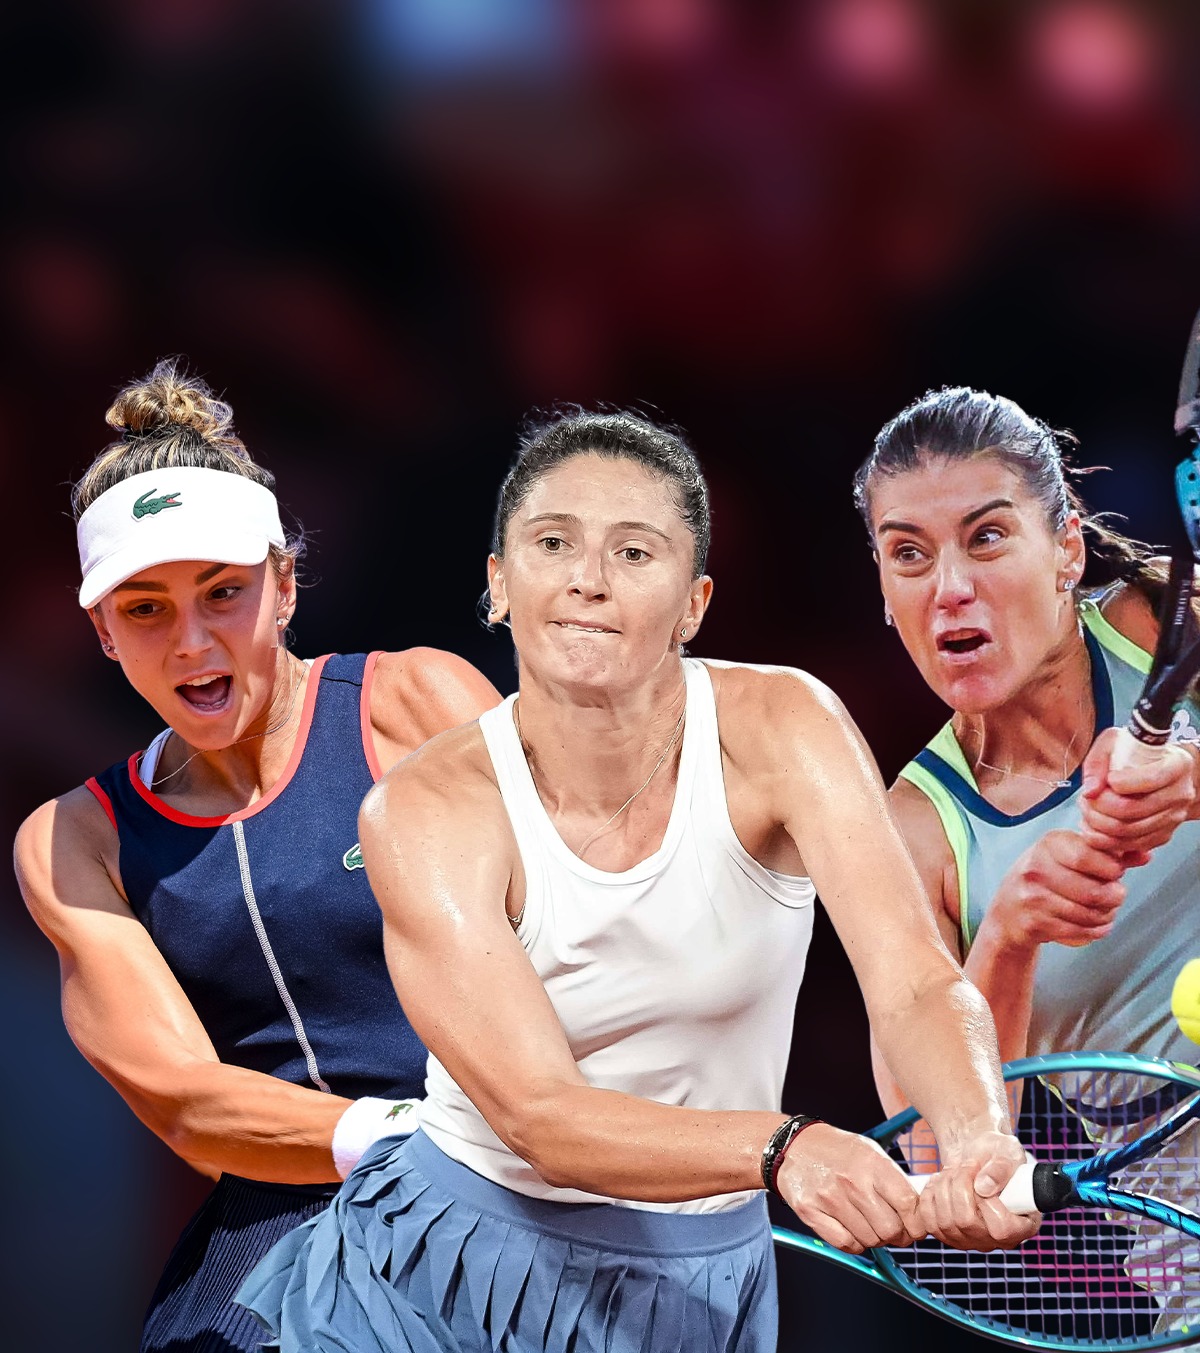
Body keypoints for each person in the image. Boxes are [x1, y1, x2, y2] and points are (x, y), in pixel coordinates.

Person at [237, 408, 1036, 1353]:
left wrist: (978, 1137)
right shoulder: (422, 809)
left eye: (634, 551)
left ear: (694, 605)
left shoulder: (786, 725)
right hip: (441, 1271)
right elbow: (542, 1115)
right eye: (552, 543)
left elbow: (913, 979)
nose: (589, 578)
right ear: (499, 583)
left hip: (702, 1279)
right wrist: (781, 1146)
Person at [12, 361, 501, 1353]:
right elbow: (187, 1102)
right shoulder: (71, 839)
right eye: (145, 609)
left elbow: (591, 941)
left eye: (223, 592)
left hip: (517, 1211)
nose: (191, 641)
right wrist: (410, 1143)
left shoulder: (419, 703)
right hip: (275, 1256)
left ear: (283, 585)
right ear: (102, 631)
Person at [853, 385, 1200, 1104]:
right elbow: (931, 1142)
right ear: (884, 590)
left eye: (986, 537)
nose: (950, 587)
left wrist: (1190, 780)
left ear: (1066, 548)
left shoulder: (1165, 623)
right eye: (909, 553)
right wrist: (1008, 936)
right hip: (1171, 1177)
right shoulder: (912, 835)